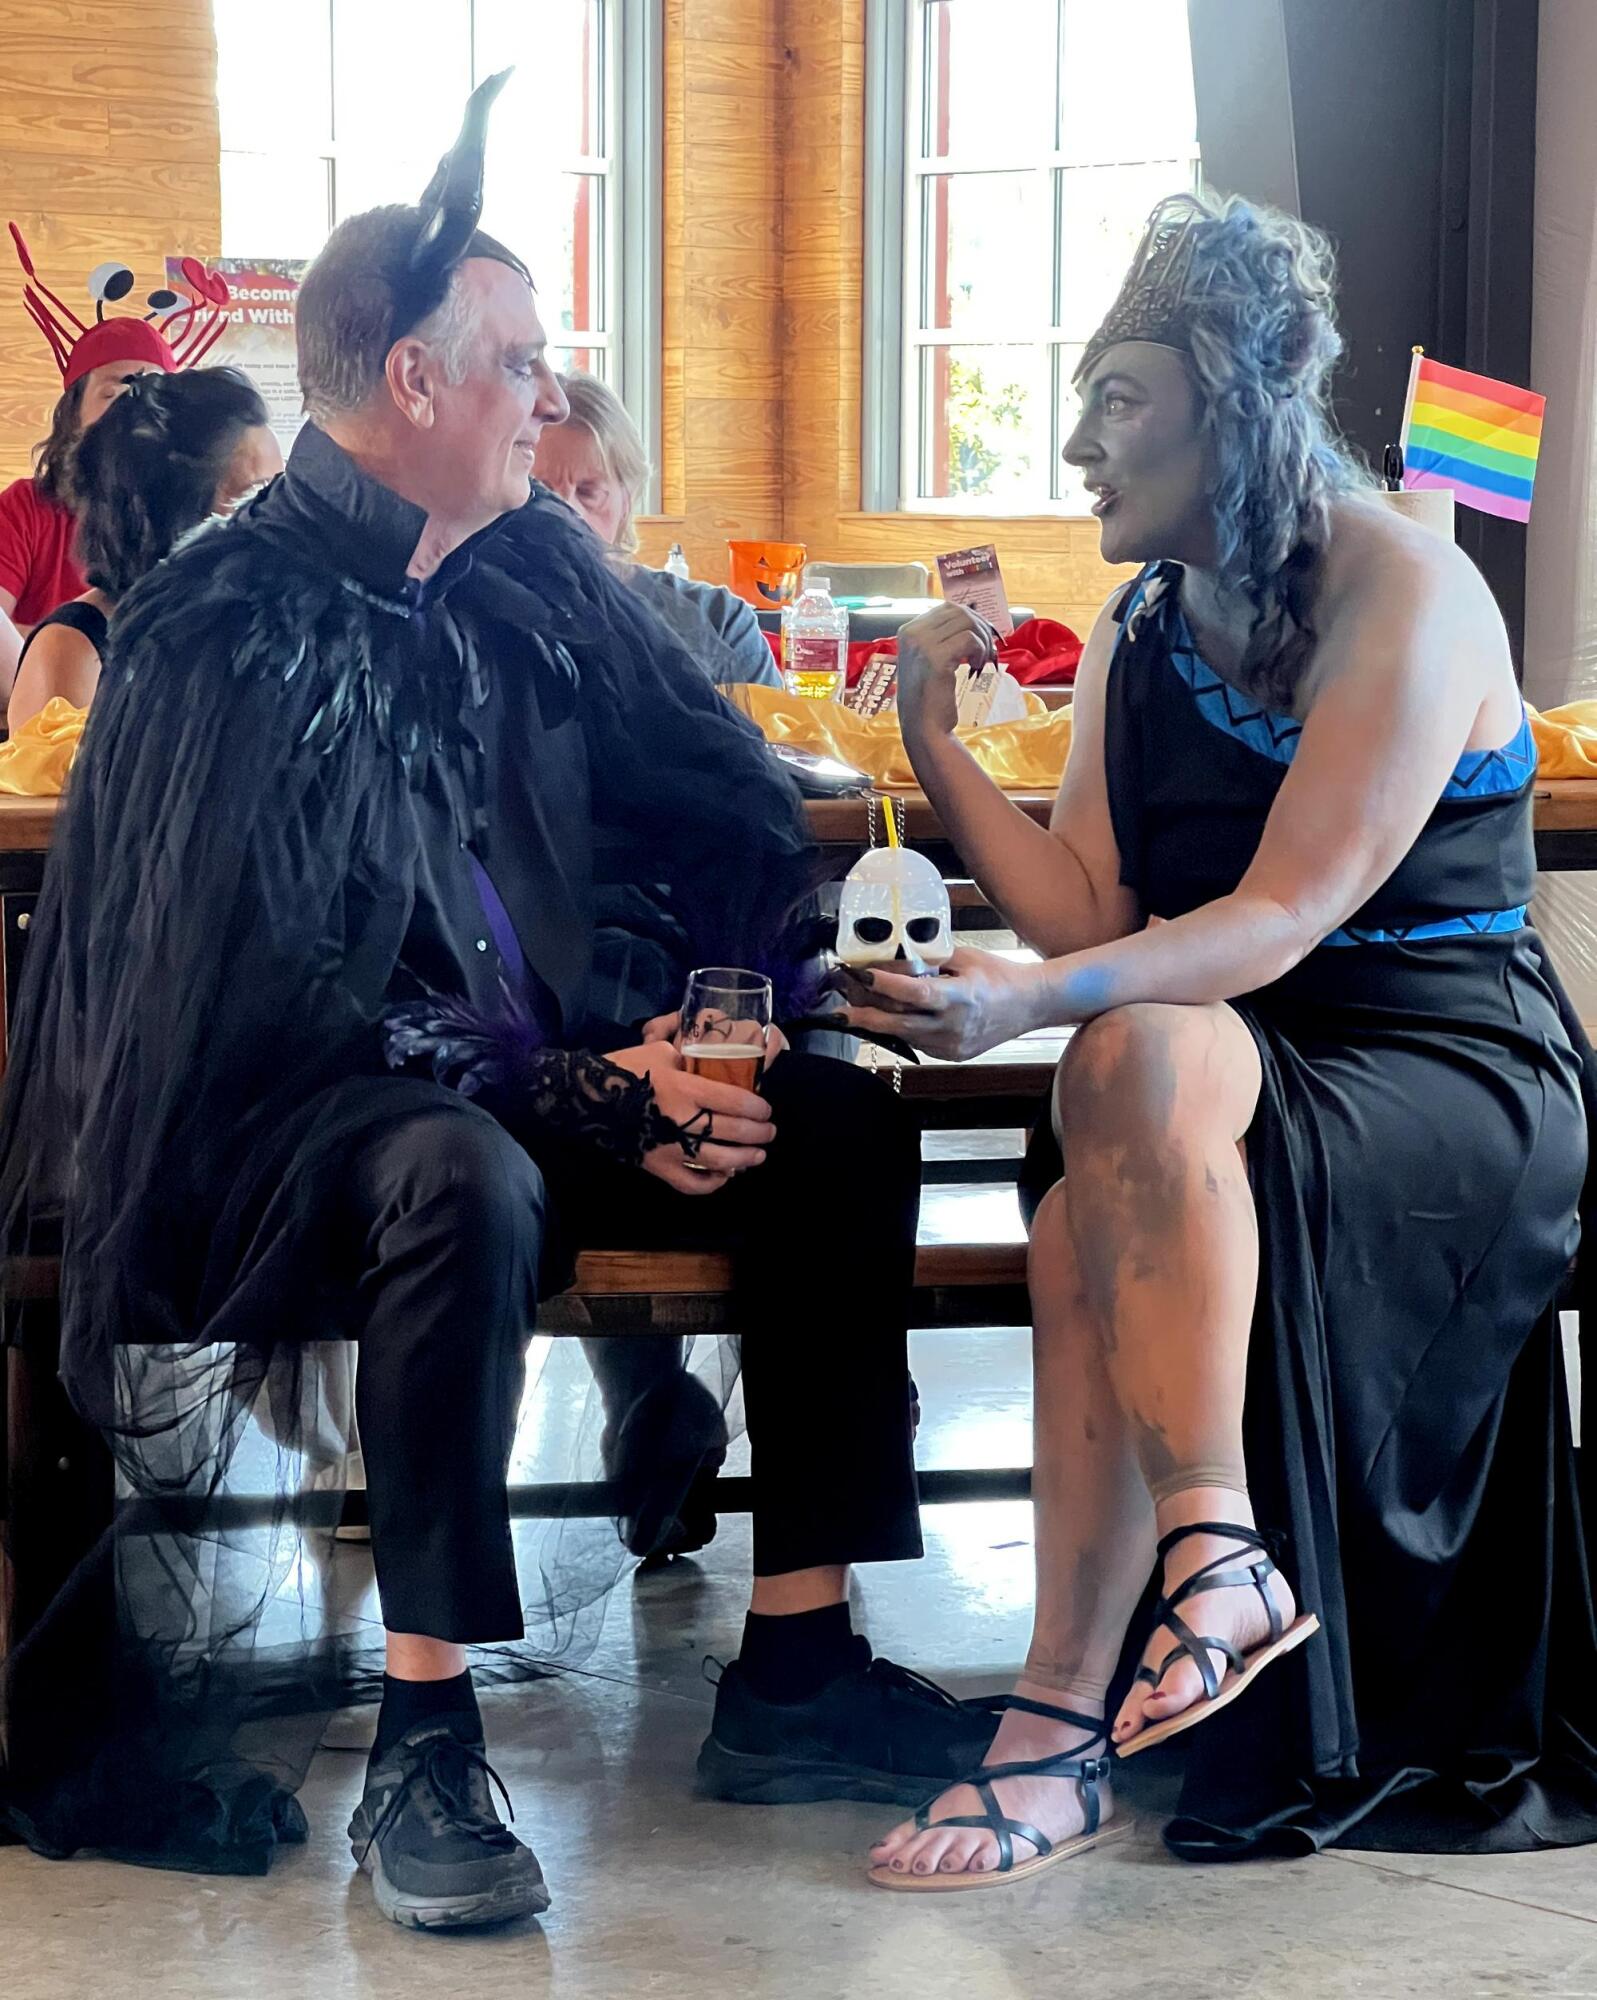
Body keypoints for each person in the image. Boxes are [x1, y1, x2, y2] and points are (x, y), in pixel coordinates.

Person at [0, 76, 987, 1931]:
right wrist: (594, 1096)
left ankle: (794, 1662)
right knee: (464, 1172)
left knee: (842, 1119)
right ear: (412, 386)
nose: (550, 396)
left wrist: (730, 1032)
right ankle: (427, 1736)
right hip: (293, 1128)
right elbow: (283, 998)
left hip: (552, 1084)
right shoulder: (222, 623)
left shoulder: (540, 566)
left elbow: (719, 806)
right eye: (519, 360)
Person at [841, 191, 1597, 1888]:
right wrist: (936, 749)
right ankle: (1203, 1570)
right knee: (1119, 1085)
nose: (1075, 442)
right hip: (1222, 1048)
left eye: (1116, 396)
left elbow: (1281, 916)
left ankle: (1053, 1727)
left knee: (1117, 1079)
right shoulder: (1141, 623)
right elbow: (1097, 915)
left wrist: (1024, 1009)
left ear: (1225, 400)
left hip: (1440, 1052)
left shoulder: (1408, 588)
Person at [0, 225, 231, 696]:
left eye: (151, 389)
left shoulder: (201, 516)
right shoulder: (26, 508)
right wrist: (59, 656)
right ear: (73, 415)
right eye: (117, 389)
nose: (136, 405)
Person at [7, 367, 282, 732]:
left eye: (280, 489)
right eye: (252, 494)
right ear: (172, 510)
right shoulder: (74, 650)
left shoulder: (251, 621)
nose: (279, 514)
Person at [533, 369, 780, 688]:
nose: (567, 514)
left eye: (588, 491)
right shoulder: (467, 627)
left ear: (627, 499)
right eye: (541, 491)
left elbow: (771, 736)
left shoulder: (719, 623)